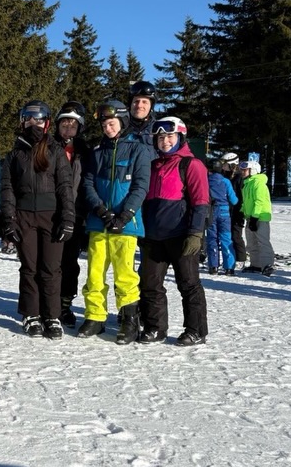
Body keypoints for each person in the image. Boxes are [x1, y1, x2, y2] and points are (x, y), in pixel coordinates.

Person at [0, 100, 75, 339]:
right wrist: (9, 220)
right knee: (30, 267)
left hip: (51, 218)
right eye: (29, 119)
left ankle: (52, 315)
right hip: (24, 217)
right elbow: (7, 189)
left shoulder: (55, 151)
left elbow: (65, 185)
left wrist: (68, 216)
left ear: (47, 123)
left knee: (51, 268)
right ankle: (31, 313)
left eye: (39, 119)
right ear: (22, 122)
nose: (34, 123)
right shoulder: (13, 155)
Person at [79, 100, 151, 342]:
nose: (108, 128)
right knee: (95, 274)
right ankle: (95, 317)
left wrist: (125, 214)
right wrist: (100, 210)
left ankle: (129, 320)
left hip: (126, 225)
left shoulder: (137, 150)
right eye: (104, 125)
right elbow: (87, 183)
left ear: (122, 121)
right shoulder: (97, 153)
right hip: (99, 223)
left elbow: (141, 185)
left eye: (112, 123)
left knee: (124, 275)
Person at [138, 117, 211, 346]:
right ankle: (155, 327)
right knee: (149, 284)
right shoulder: (152, 165)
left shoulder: (191, 164)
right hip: (153, 238)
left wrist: (196, 233)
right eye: (160, 137)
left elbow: (201, 202)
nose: (165, 141)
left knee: (188, 284)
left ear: (180, 137)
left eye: (170, 136)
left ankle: (196, 330)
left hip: (181, 236)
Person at [53, 101, 90, 328]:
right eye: (64, 123)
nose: (68, 127)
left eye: (73, 124)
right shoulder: (48, 146)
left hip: (75, 215)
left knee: (69, 264)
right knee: (48, 262)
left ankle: (64, 305)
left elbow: (88, 185)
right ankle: (47, 303)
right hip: (51, 213)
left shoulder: (85, 151)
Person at [239, 160, 275, 276]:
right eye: (242, 170)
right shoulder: (247, 183)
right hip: (251, 217)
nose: (242, 172)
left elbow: (259, 201)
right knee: (251, 243)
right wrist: (242, 213)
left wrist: (255, 217)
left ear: (253, 171)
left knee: (263, 242)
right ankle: (256, 265)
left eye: (245, 170)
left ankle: (267, 265)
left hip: (260, 217)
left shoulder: (258, 183)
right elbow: (246, 201)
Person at [205, 160, 239, 275]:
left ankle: (213, 266)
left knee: (211, 239)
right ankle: (229, 267)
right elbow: (234, 201)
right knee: (226, 239)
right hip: (224, 212)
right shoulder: (226, 182)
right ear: (222, 170)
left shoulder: (206, 182)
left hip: (210, 212)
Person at [221, 152, 247, 267]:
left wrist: (239, 210)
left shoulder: (238, 178)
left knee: (236, 235)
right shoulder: (226, 177)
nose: (223, 166)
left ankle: (241, 258)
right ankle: (232, 257)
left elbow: (240, 197)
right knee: (228, 235)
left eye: (225, 164)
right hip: (228, 211)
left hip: (237, 211)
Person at [127, 80, 158, 151]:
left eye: (144, 102)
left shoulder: (158, 130)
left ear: (151, 106)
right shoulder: (120, 129)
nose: (139, 105)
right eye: (136, 101)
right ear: (130, 104)